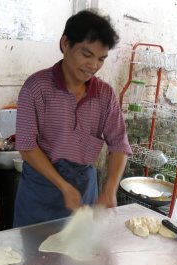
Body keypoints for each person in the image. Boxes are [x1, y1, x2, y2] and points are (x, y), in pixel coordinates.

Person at [13, 9, 131, 228]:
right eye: (86, 55)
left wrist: (110, 189)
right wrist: (63, 186)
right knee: (32, 256)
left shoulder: (105, 94)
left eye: (101, 59)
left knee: (79, 256)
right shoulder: (36, 88)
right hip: (40, 190)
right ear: (65, 43)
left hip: (84, 190)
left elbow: (119, 144)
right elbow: (27, 147)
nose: (93, 66)